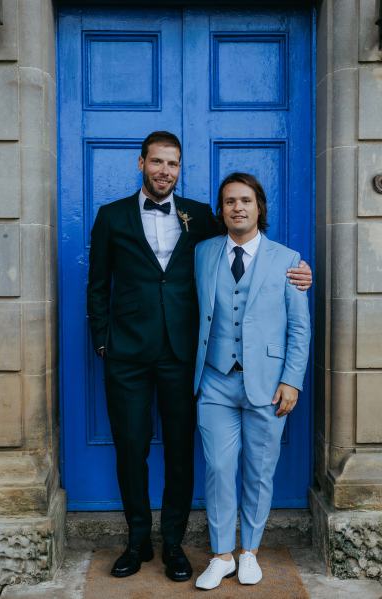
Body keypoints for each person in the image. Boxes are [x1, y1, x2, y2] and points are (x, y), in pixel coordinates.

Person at [87, 132, 312, 582]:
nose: (164, 171)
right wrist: (103, 342)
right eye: (157, 162)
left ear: (180, 168)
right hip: (127, 356)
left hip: (182, 356)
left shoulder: (203, 217)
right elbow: (98, 284)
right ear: (142, 163)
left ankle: (173, 544)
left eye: (172, 164)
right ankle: (136, 541)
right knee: (130, 448)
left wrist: (299, 272)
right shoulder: (110, 217)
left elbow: (249, 249)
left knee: (179, 451)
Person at [194, 172, 311, 590]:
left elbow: (299, 328)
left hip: (268, 383)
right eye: (229, 202)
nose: (237, 208)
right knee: (219, 468)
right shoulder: (203, 253)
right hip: (215, 381)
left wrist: (292, 381)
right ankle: (222, 553)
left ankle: (250, 552)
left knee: (260, 470)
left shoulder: (288, 259)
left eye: (245, 200)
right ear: (221, 211)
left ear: (259, 207)